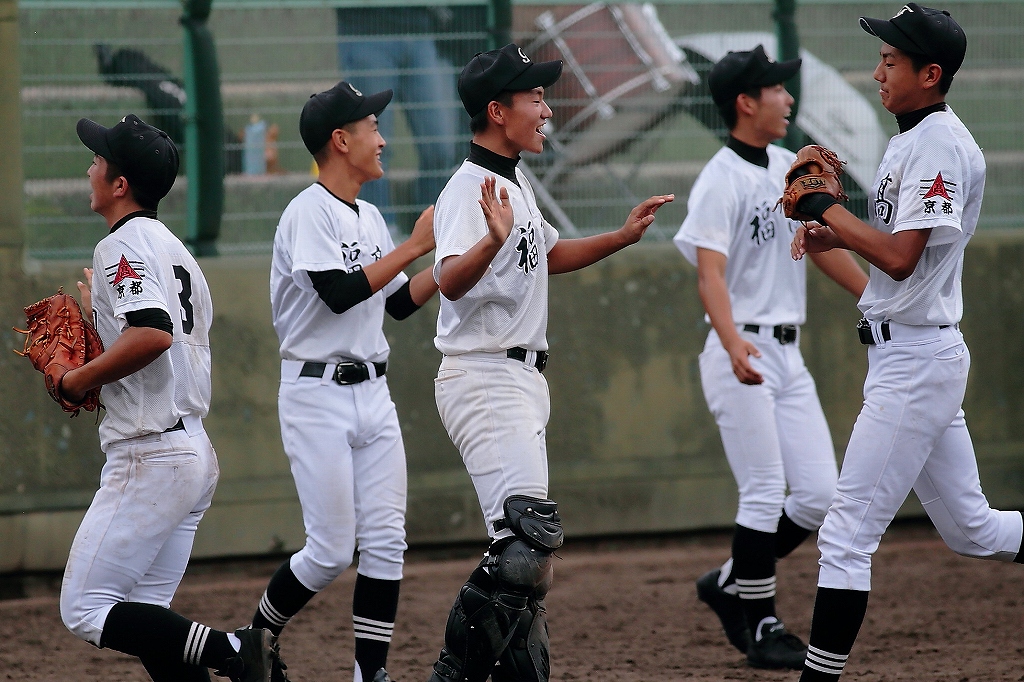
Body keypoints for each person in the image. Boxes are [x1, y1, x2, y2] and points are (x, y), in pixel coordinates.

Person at [425, 43, 674, 682]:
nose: (545, 108)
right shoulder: (470, 190)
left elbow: (548, 256)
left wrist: (620, 236)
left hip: (517, 377)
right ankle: (452, 673)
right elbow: (449, 280)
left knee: (525, 560)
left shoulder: (514, 182)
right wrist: (490, 240)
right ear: (495, 110)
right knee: (523, 550)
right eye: (533, 97)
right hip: (484, 376)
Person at [789, 5, 1024, 679]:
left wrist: (823, 208)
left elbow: (896, 259)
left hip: (917, 360)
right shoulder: (911, 139)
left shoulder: (941, 144)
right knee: (973, 531)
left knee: (844, 537)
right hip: (909, 353)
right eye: (881, 58)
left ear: (930, 73)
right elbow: (901, 252)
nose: (877, 71)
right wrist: (837, 230)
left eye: (891, 61)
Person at [58, 114, 282, 682]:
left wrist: (79, 379)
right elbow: (158, 330)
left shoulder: (120, 246)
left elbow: (153, 333)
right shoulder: (176, 251)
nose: (90, 168)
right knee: (153, 624)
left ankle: (236, 650)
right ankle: (235, 655)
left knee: (84, 609)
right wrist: (103, 321)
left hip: (151, 454)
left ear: (119, 185)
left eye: (98, 161)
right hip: (189, 452)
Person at [672, 45, 868, 670]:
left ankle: (729, 580)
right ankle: (760, 623)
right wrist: (732, 342)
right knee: (762, 491)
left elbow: (815, 244)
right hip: (741, 345)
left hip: (790, 353)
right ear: (745, 102)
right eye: (776, 90)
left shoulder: (790, 168)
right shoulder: (718, 179)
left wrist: (875, 295)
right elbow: (710, 276)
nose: (788, 99)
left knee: (816, 495)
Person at [248, 81, 439, 682]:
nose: (381, 139)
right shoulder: (307, 210)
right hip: (316, 393)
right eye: (371, 128)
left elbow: (397, 305)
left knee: (385, 543)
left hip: (373, 394)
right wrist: (415, 244)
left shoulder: (372, 214)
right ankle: (254, 639)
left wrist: (454, 259)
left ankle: (369, 674)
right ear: (340, 139)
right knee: (330, 550)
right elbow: (337, 295)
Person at [336, 7, 474, 227]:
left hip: (421, 30)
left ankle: (433, 230)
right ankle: (380, 234)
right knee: (371, 146)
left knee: (441, 148)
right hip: (366, 31)